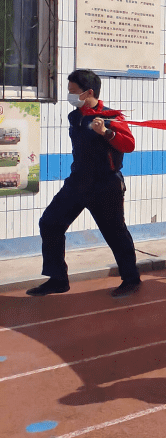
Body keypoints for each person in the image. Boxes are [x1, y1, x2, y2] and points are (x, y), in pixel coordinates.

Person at [29, 69, 141, 298]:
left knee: (115, 232)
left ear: (88, 92)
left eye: (73, 91)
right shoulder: (75, 116)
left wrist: (106, 132)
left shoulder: (112, 116)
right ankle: (58, 279)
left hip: (105, 185)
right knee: (50, 223)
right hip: (78, 182)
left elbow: (129, 145)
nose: (70, 95)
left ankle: (131, 279)